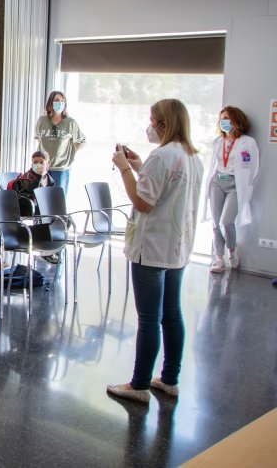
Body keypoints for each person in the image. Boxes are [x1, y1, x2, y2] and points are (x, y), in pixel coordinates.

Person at [107, 98, 203, 404]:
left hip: (151, 247)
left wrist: (124, 169)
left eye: (153, 120)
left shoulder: (161, 156)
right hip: (176, 247)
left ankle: (139, 385)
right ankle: (170, 378)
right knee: (171, 313)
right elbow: (166, 189)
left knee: (149, 318)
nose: (150, 125)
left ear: (163, 123)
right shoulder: (191, 156)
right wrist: (139, 165)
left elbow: (144, 202)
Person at [204, 106, 259, 273]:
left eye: (226, 118)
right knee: (215, 222)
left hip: (235, 185)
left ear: (236, 120)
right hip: (217, 182)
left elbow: (253, 167)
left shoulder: (248, 142)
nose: (223, 122)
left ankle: (232, 252)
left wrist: (246, 185)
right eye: (221, 119)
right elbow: (214, 163)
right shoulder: (217, 141)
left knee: (226, 221)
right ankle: (219, 258)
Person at [34, 91, 85, 194]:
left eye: (62, 101)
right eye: (57, 100)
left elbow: (81, 141)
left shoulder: (70, 122)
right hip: (42, 168)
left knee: (58, 202)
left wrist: (71, 155)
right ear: (50, 103)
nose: (60, 103)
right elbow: (39, 139)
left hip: (60, 169)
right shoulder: (42, 120)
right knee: (41, 201)